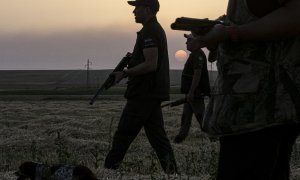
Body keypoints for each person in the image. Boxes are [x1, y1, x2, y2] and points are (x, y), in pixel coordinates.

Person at [188, 0, 300, 179]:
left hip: (262, 109)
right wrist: (217, 30)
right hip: (252, 105)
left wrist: (229, 33)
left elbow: (295, 16)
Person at [104, 0, 177, 173]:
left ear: (148, 9)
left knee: (123, 135)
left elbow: (151, 64)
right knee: (158, 139)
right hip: (150, 93)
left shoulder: (150, 31)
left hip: (143, 93)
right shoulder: (152, 30)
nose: (134, 12)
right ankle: (173, 173)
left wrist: (124, 73)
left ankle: (106, 172)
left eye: (137, 8)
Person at [174, 34, 211, 143]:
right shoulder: (195, 54)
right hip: (191, 94)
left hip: (195, 94)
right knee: (185, 118)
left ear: (196, 42)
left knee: (202, 118)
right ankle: (179, 139)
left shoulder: (197, 55)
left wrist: (191, 92)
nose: (186, 43)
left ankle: (214, 139)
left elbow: (197, 74)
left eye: (189, 40)